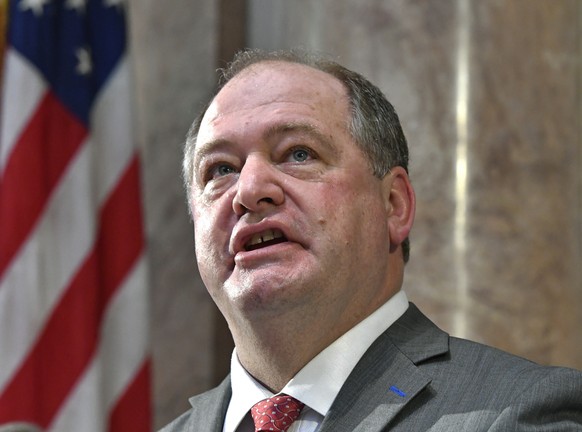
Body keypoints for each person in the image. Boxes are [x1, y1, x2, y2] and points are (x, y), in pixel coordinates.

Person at [160, 48, 582, 432]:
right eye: (219, 170)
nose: (249, 189)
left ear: (394, 205)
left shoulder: (520, 413)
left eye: (298, 153)